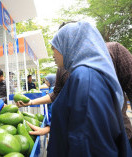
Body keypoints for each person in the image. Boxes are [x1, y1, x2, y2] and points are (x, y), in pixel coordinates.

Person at [16, 21, 132, 156]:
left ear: (70, 42)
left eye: (57, 44)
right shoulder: (72, 71)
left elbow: (86, 140)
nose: (53, 51)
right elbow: (72, 111)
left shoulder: (85, 78)